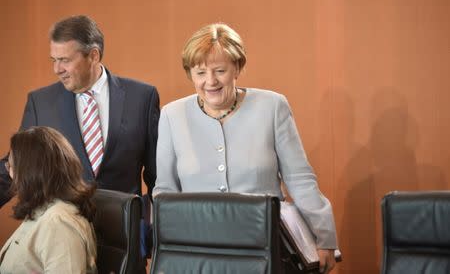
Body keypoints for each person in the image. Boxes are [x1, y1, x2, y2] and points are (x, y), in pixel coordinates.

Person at [153, 23, 338, 273]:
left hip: (263, 248)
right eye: (200, 73)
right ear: (190, 74)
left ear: (238, 68)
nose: (210, 82)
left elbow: (300, 178)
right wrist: (166, 254)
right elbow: (165, 191)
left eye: (220, 70)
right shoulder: (171, 115)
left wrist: (324, 237)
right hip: (198, 253)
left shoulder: (272, 106)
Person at [0, 15, 159, 259]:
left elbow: (158, 175)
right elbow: (18, 165)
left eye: (64, 60)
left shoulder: (143, 97)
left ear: (93, 55)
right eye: (54, 60)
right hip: (62, 241)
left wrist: (154, 230)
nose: (57, 69)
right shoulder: (41, 102)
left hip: (125, 243)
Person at [0, 126, 97, 273]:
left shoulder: (59, 223)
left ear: (30, 172)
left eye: (10, 166)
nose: (10, 174)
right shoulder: (43, 209)